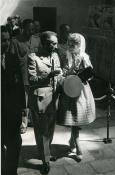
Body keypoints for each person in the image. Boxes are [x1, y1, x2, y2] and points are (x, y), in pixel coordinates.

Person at [57, 33, 96, 160]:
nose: (71, 46)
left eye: (74, 44)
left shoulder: (84, 57)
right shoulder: (64, 56)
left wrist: (83, 74)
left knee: (76, 118)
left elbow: (90, 74)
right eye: (70, 43)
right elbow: (61, 72)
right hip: (68, 88)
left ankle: (73, 142)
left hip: (81, 90)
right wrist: (66, 75)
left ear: (80, 45)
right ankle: (77, 145)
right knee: (73, 118)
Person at [28, 31, 62, 174]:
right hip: (40, 100)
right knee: (42, 131)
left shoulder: (55, 55)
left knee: (50, 129)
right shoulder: (33, 57)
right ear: (43, 43)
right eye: (50, 43)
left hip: (54, 99)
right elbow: (31, 80)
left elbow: (59, 76)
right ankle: (45, 159)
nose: (54, 46)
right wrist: (49, 75)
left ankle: (46, 152)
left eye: (55, 43)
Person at [1, 26, 25, 175]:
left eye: (8, 39)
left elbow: (20, 85)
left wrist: (23, 109)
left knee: (15, 144)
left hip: (12, 111)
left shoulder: (12, 58)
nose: (7, 43)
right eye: (2, 40)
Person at [12, 19, 41, 133]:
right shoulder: (15, 41)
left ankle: (34, 121)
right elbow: (12, 60)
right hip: (23, 77)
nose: (30, 32)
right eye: (28, 29)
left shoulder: (37, 40)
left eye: (32, 29)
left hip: (36, 77)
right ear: (23, 28)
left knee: (35, 100)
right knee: (24, 102)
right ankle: (23, 124)